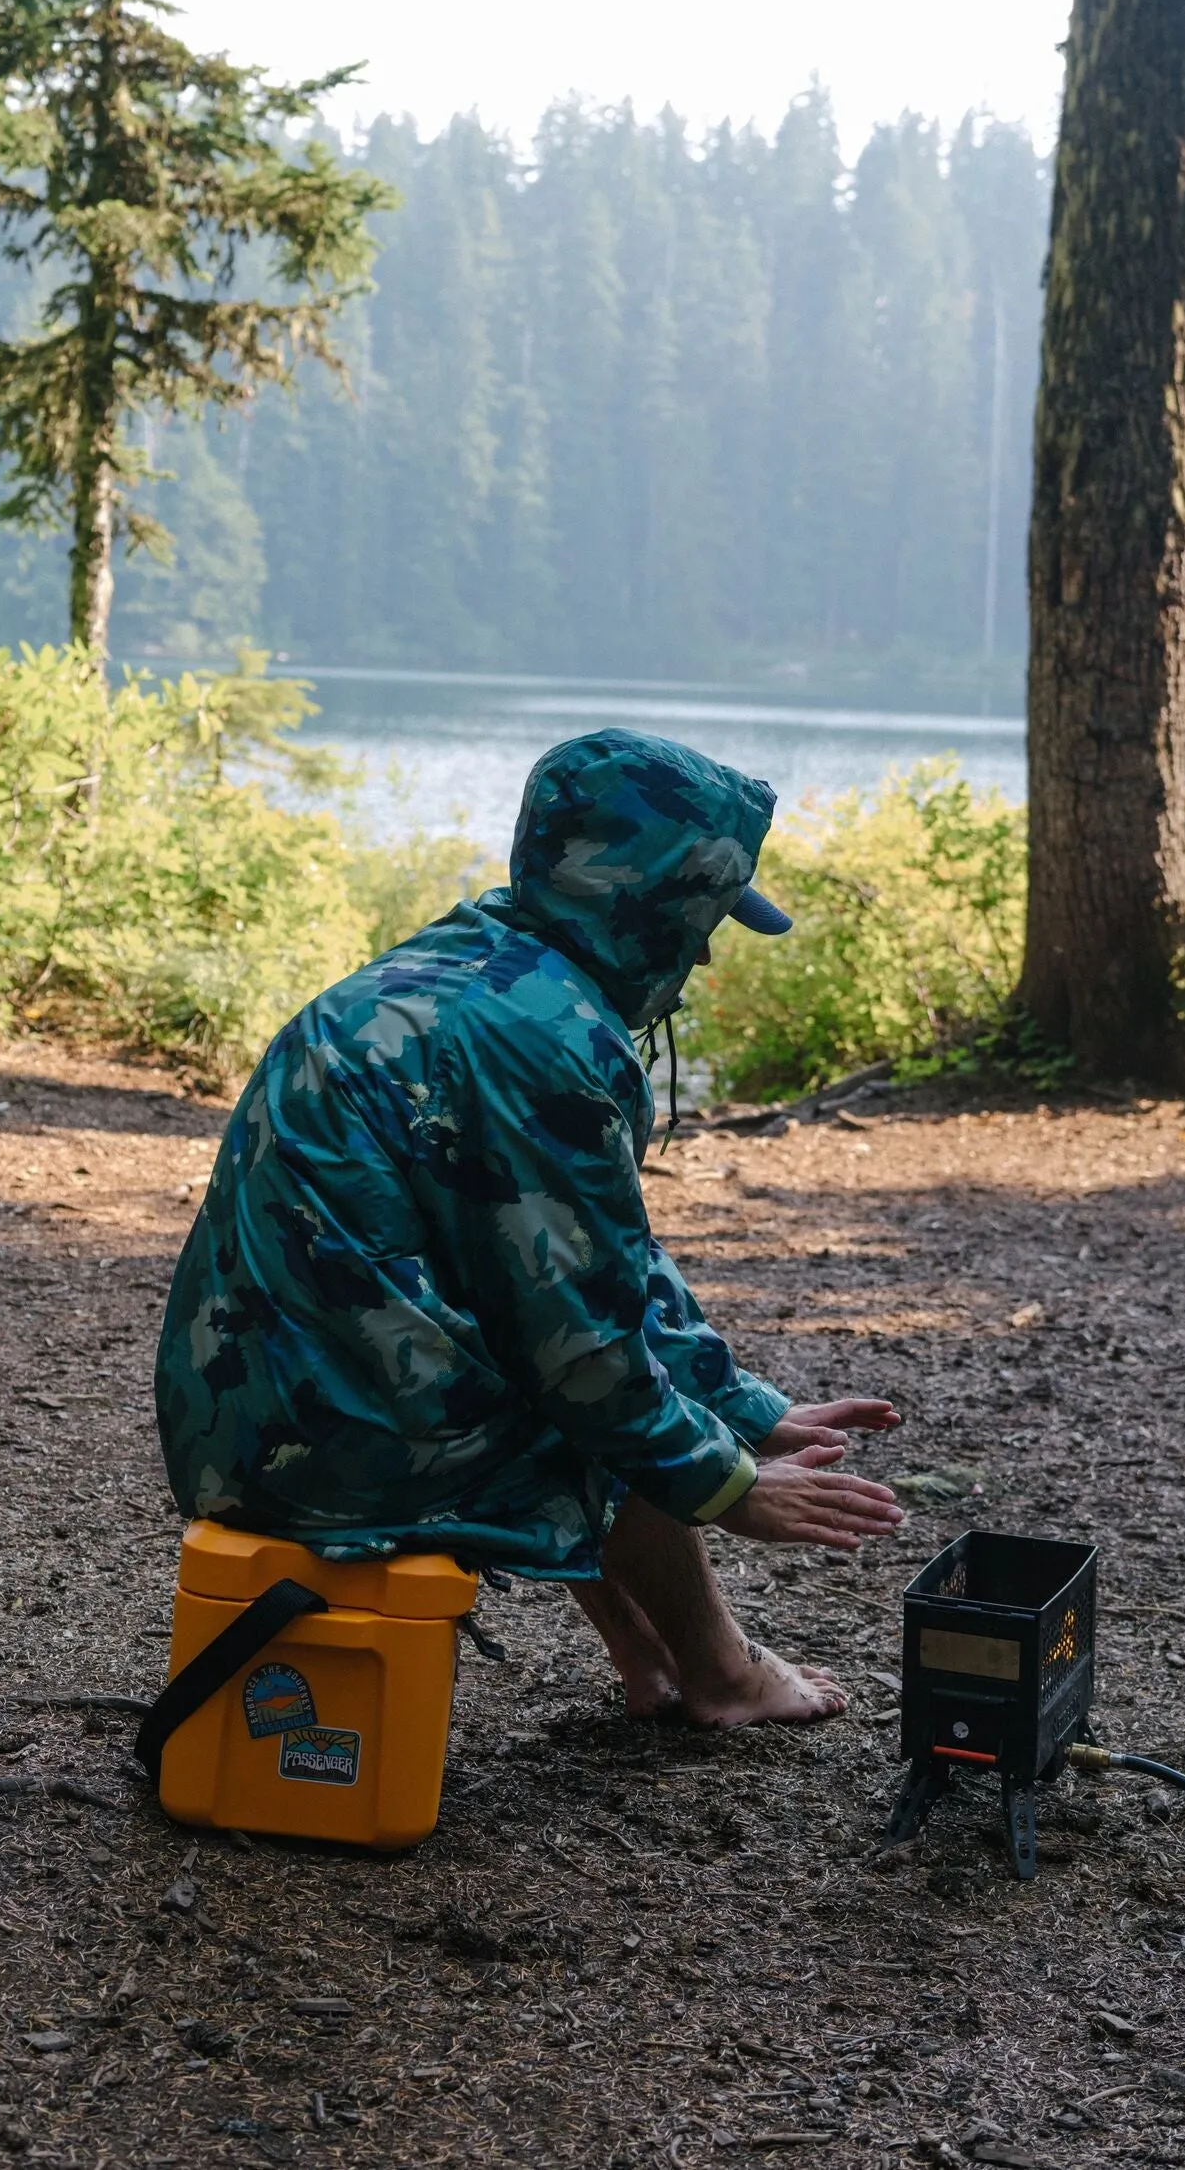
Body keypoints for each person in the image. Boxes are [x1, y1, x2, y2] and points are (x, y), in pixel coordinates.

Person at [156, 728, 903, 1724]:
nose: (709, 944)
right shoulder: (544, 1041)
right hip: (318, 1443)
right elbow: (586, 1352)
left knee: (538, 1350)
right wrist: (730, 1488)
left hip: (245, 1407)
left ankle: (648, 1658)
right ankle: (720, 1675)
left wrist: (744, 1406)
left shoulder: (473, 965)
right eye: (701, 912)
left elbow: (601, 1256)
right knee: (583, 1395)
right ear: (643, 902)